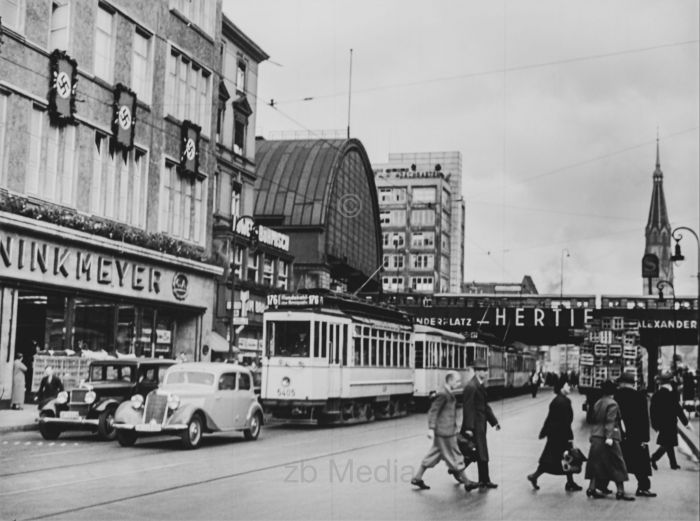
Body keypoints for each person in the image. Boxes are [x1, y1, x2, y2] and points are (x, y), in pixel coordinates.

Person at [411, 372, 480, 492]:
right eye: (457, 381)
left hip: (446, 432)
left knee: (433, 455)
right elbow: (433, 411)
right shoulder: (443, 394)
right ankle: (467, 482)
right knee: (456, 455)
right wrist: (431, 429)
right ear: (450, 380)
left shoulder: (448, 393)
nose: (459, 384)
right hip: (445, 433)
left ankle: (417, 478)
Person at [526, 375, 582, 492]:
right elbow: (567, 422)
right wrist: (569, 437)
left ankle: (536, 476)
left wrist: (544, 431)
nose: (570, 387)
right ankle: (535, 476)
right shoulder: (565, 402)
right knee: (566, 458)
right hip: (562, 436)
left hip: (554, 435)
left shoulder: (556, 401)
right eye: (567, 385)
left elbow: (549, 418)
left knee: (554, 459)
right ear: (562, 387)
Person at [584, 379, 634, 500]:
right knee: (617, 464)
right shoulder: (613, 404)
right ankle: (620, 491)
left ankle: (591, 488)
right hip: (608, 437)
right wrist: (609, 437)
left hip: (596, 436)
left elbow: (594, 420)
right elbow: (610, 421)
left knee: (596, 464)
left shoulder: (598, 402)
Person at [461, 358, 501, 489]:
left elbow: (485, 406)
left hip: (480, 424)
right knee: (477, 451)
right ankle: (458, 469)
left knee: (480, 452)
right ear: (476, 371)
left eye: (485, 370)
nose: (485, 372)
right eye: (482, 370)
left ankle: (484, 479)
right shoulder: (471, 386)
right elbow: (468, 408)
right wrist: (469, 427)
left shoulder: (479, 384)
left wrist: (494, 422)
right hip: (474, 426)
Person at [650, 371, 690, 470]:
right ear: (669, 384)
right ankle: (653, 458)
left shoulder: (656, 395)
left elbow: (652, 411)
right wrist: (685, 422)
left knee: (669, 443)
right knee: (667, 444)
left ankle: (673, 464)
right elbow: (678, 410)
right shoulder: (671, 395)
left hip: (661, 424)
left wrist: (655, 425)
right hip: (670, 423)